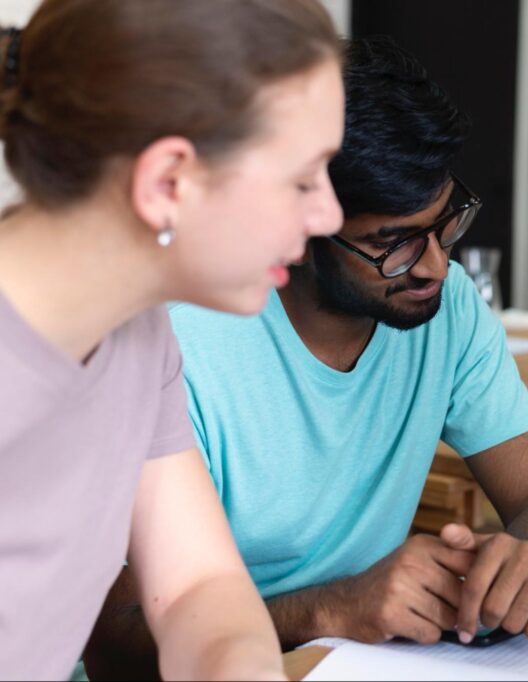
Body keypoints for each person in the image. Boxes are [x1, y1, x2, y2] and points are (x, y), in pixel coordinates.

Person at [85, 36, 528, 677]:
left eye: (445, 224)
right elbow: (113, 647)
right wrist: (328, 609)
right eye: (393, 243)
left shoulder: (450, 308)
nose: (435, 265)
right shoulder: (178, 344)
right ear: (300, 227)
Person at [0, 1, 345, 679]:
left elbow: (198, 589)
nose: (329, 212)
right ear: (167, 182)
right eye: (303, 178)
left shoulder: (137, 330)